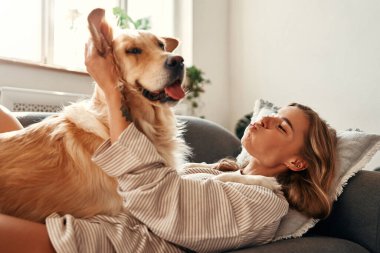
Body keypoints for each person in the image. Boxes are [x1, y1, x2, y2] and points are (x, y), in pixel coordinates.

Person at [0, 40, 337, 253]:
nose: (265, 119)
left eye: (282, 126)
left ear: (296, 162)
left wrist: (111, 89)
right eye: (273, 113)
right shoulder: (222, 169)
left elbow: (161, 201)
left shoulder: (265, 203)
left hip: (109, 240)